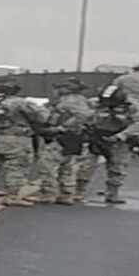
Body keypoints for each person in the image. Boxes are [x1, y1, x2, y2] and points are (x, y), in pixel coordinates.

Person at [0, 81, 48, 206]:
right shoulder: (18, 102)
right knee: (17, 167)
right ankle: (12, 196)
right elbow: (42, 117)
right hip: (15, 139)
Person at [76, 85, 139, 204]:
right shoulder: (94, 103)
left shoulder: (132, 107)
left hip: (118, 140)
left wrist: (122, 135)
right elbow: (83, 116)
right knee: (86, 165)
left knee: (117, 167)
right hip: (97, 137)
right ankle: (78, 192)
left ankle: (112, 194)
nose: (107, 103)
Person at [36, 77, 93, 205]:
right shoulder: (80, 100)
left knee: (48, 165)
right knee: (68, 166)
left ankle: (48, 193)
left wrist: (61, 128)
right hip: (73, 137)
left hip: (62, 136)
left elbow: (82, 116)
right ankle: (66, 194)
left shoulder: (70, 101)